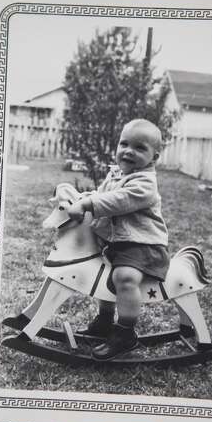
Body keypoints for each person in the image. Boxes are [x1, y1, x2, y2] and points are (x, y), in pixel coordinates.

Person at [67, 119, 170, 360]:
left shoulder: (145, 183)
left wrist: (88, 204)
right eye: (124, 144)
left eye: (140, 148)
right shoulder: (115, 174)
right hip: (117, 244)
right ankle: (104, 321)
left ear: (154, 158)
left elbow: (118, 200)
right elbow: (102, 195)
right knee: (103, 275)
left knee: (123, 277)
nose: (128, 151)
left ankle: (125, 332)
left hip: (142, 246)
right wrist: (79, 197)